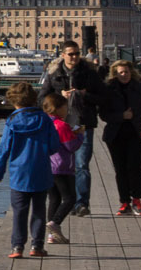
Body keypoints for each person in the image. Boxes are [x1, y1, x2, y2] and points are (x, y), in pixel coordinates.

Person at [0, 81, 61, 258]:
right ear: (34, 99)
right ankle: (37, 246)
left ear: (13, 101)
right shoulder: (45, 119)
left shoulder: (12, 121)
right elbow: (55, 145)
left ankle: (17, 247)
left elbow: (4, 149)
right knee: (39, 210)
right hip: (41, 170)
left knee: (19, 212)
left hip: (19, 173)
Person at [44, 41, 106, 216]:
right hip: (59, 124)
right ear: (63, 55)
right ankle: (66, 199)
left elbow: (103, 97)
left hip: (81, 121)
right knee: (61, 163)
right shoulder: (54, 74)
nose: (74, 57)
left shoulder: (89, 74)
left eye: (77, 53)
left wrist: (85, 94)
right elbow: (42, 98)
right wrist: (59, 96)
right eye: (71, 54)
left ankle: (81, 203)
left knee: (81, 164)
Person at [101, 58, 141, 215]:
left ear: (132, 72)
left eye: (126, 72)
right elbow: (103, 114)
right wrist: (121, 116)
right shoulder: (109, 88)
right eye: (120, 72)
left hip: (137, 132)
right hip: (116, 134)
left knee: (135, 167)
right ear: (115, 74)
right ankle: (124, 202)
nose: (124, 75)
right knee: (120, 169)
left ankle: (137, 199)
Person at [43, 91, 81, 244]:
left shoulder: (45, 123)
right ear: (58, 108)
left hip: (48, 166)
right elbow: (71, 146)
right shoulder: (62, 125)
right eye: (65, 107)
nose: (67, 110)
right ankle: (55, 223)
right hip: (62, 167)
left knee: (54, 199)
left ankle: (52, 235)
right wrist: (79, 134)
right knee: (70, 198)